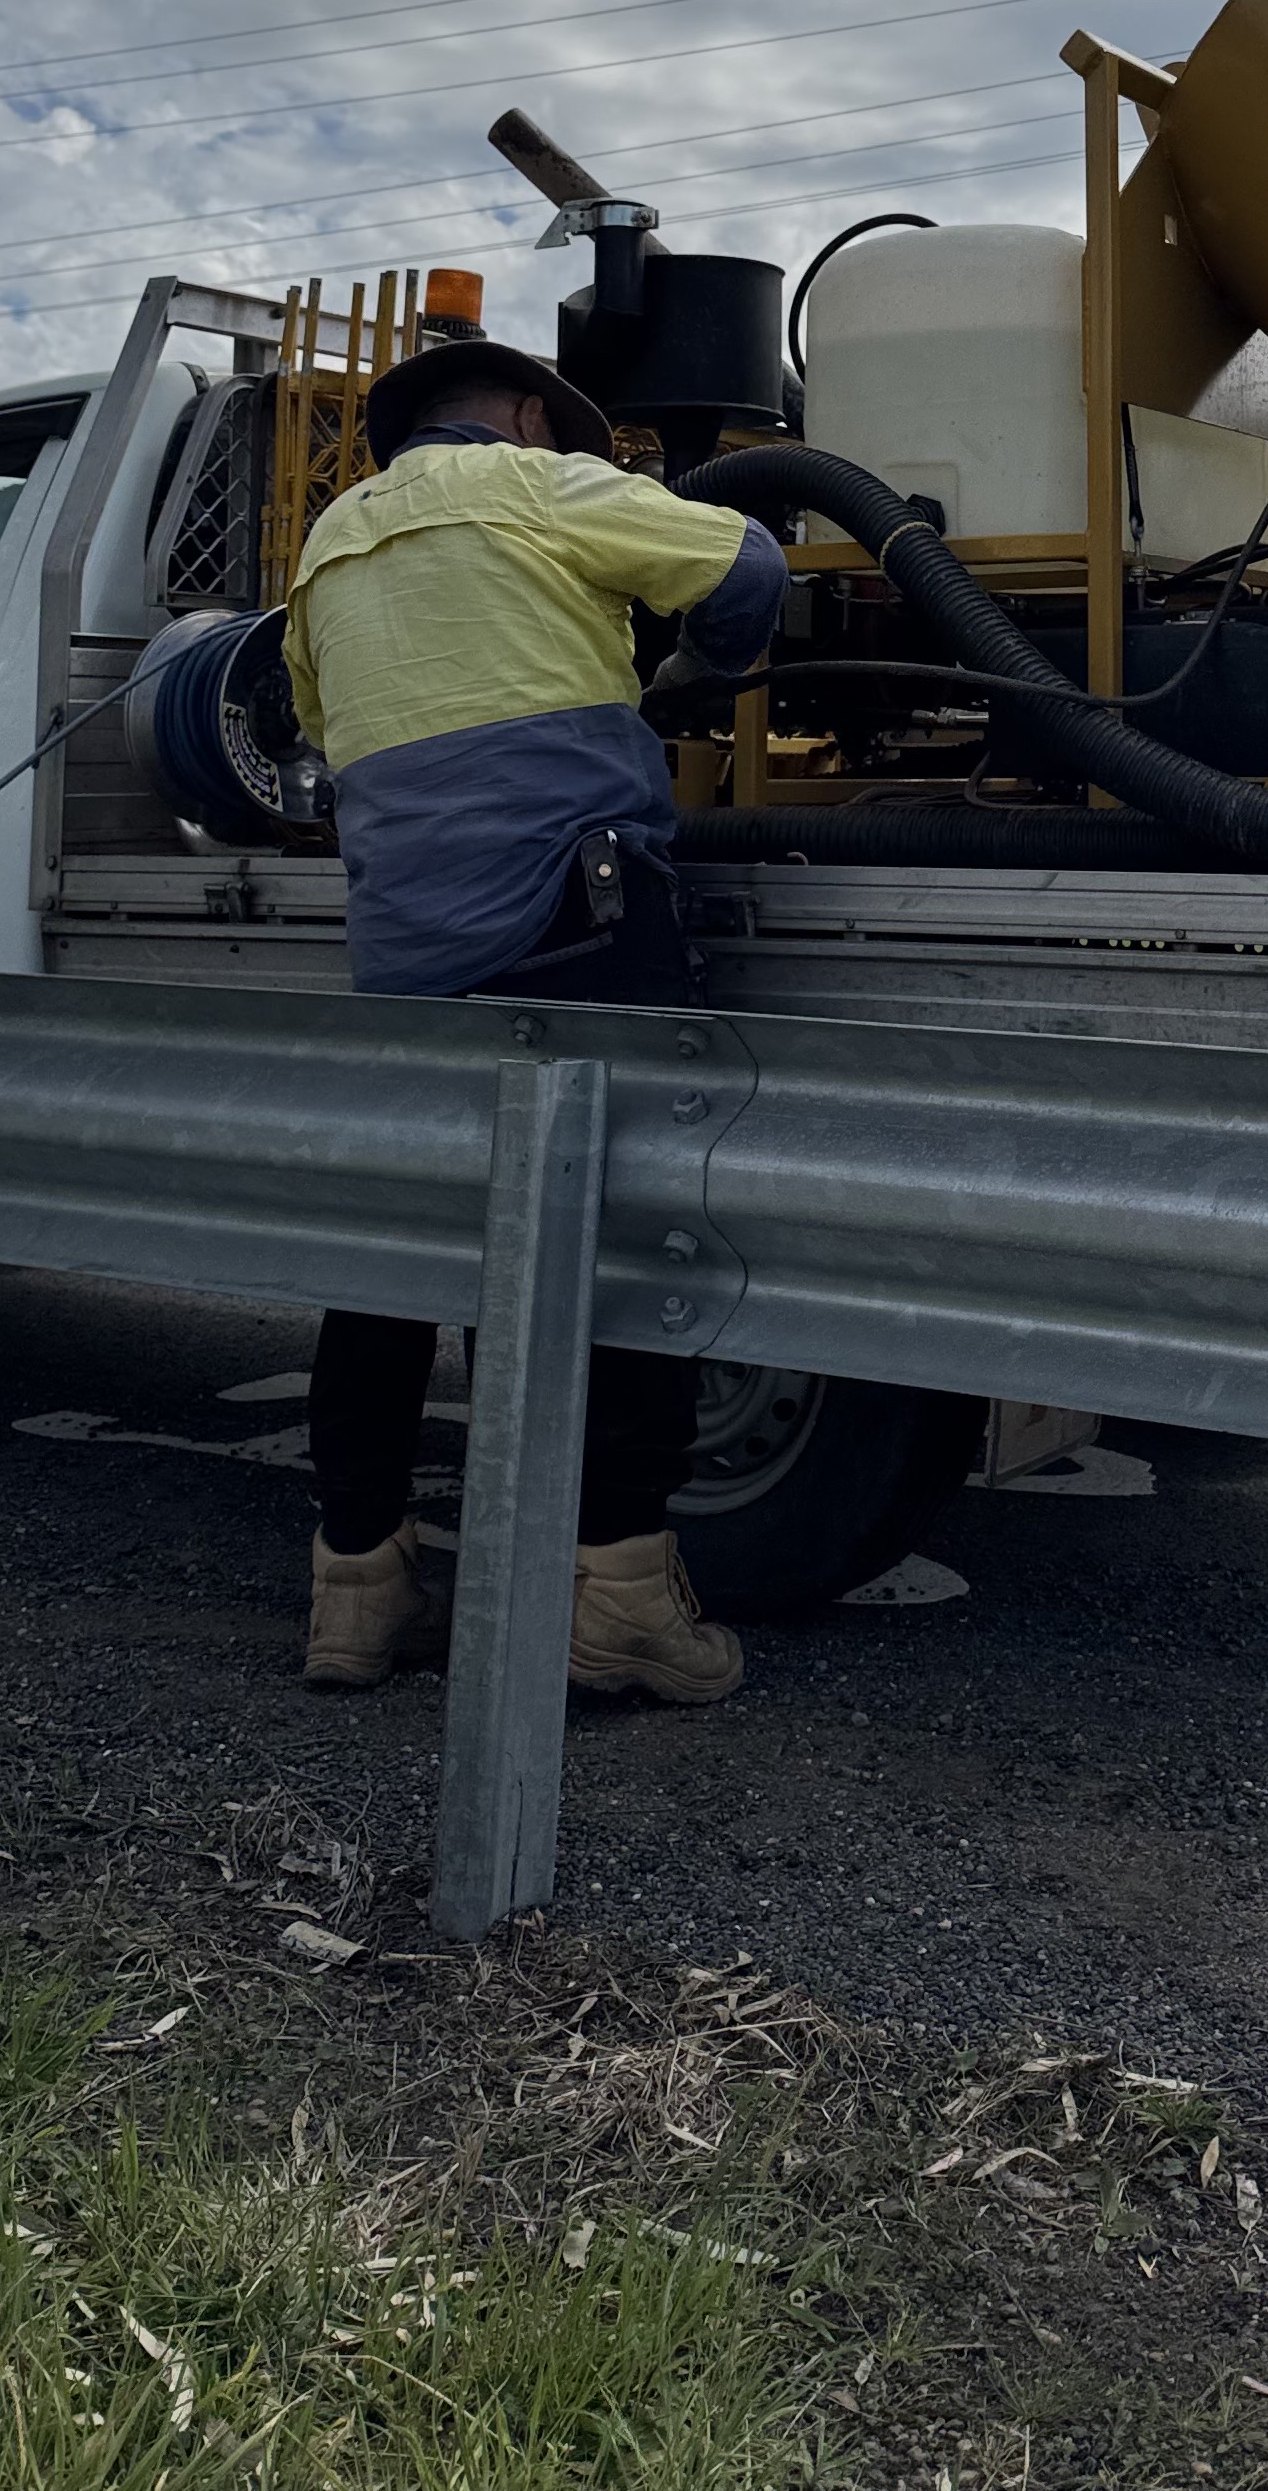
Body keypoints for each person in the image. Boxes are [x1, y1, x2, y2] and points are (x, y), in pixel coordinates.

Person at [278, 326, 786, 1704]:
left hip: (404, 952)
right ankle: (621, 1604)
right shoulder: (531, 484)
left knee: (397, 1256)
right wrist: (702, 671)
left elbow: (320, 730)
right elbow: (748, 565)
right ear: (521, 415)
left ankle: (357, 1593)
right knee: (623, 1238)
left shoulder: (326, 548)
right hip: (574, 922)